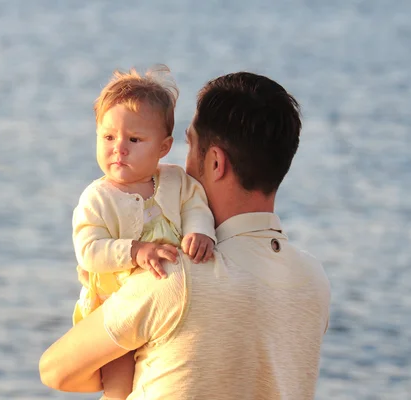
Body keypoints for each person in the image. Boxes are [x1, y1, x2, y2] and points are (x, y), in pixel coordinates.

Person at [40, 71, 331, 399]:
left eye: (190, 146)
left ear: (216, 162)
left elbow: (54, 369)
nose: (182, 164)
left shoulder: (173, 275)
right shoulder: (315, 281)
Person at [70, 65, 216, 399]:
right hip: (115, 307)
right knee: (120, 383)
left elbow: (197, 206)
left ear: (163, 147)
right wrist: (135, 251)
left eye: (134, 140)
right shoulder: (98, 198)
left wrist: (199, 232)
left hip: (168, 303)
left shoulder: (177, 181)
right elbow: (89, 250)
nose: (118, 148)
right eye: (108, 137)